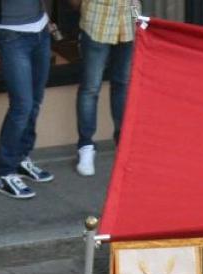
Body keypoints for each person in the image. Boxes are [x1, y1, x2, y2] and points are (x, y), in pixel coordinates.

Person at [0, 0, 57, 199]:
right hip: (12, 34)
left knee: (34, 102)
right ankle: (3, 173)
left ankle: (21, 158)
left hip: (40, 30)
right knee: (22, 106)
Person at [73, 0, 139, 178]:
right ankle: (85, 146)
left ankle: (123, 144)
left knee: (122, 84)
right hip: (97, 20)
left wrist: (137, 19)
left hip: (128, 22)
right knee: (90, 88)